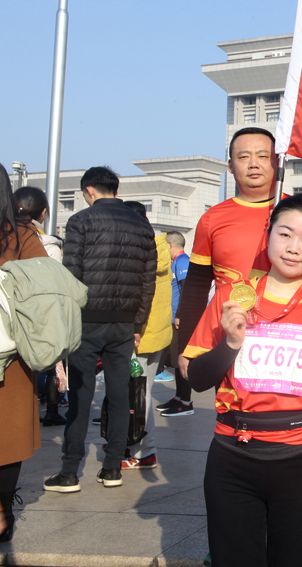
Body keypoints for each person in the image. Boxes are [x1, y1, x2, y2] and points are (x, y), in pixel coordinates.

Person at [183, 194, 302, 565]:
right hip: (232, 458)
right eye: (285, 234)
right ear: (268, 235)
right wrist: (231, 343)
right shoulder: (231, 298)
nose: (293, 247)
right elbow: (198, 380)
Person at [43, 167, 157, 493]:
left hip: (87, 320)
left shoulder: (80, 221)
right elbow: (147, 281)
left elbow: (71, 274)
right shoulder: (142, 225)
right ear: (115, 190)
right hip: (123, 323)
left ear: (89, 190)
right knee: (119, 395)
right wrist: (137, 323)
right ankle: (112, 469)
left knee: (81, 395)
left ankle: (69, 472)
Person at [168, 127, 281, 418]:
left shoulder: (298, 211)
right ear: (230, 166)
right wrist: (187, 347)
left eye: (263, 156)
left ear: (277, 162)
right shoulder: (212, 219)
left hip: (287, 337)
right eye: (244, 157)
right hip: (229, 339)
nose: (253, 164)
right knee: (233, 417)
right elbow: (195, 286)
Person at [0, 163, 48, 541]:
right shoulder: (21, 236)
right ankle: (3, 516)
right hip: (10, 353)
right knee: (6, 435)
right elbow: (44, 294)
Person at [121, 201, 172, 470]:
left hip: (140, 334)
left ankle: (144, 452)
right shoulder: (160, 246)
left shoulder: (140, 251)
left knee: (139, 394)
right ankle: (132, 443)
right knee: (143, 390)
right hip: (157, 333)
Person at [13, 186, 67, 426]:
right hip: (38, 317)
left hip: (10, 319)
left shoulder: (6, 237)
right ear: (43, 213)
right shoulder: (48, 245)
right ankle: (51, 410)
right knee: (51, 365)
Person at [157, 231, 189, 382]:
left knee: (178, 356)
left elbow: (186, 289)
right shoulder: (175, 262)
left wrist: (179, 315)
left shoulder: (182, 261)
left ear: (170, 245)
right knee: (171, 352)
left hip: (177, 318)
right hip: (171, 316)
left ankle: (182, 393)